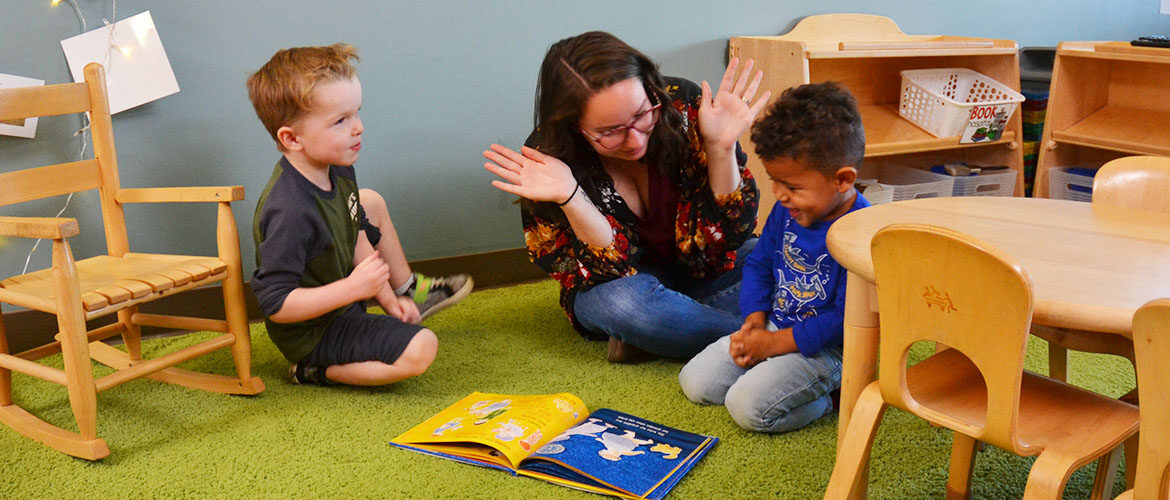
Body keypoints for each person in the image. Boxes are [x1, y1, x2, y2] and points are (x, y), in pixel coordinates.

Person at [483, 31, 769, 362]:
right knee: (623, 307)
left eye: (641, 115)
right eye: (609, 131)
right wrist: (571, 196)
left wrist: (720, 149)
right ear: (574, 126)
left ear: (650, 89)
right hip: (624, 286)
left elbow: (733, 233)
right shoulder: (546, 159)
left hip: (707, 268)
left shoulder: (682, 106)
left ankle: (663, 334)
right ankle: (769, 339)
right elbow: (607, 272)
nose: (634, 141)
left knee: (788, 258)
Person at [246, 43, 472, 386]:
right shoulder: (289, 211)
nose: (358, 127)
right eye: (340, 120)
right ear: (292, 139)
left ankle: (409, 290)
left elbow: (356, 236)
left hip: (344, 301)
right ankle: (312, 370)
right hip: (314, 331)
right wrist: (352, 289)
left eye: (356, 113)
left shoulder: (337, 166)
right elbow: (277, 305)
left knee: (370, 202)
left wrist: (389, 299)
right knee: (422, 347)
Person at [678, 82, 870, 433]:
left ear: (843, 180)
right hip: (776, 323)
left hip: (830, 349)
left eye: (792, 187)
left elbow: (844, 319)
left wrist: (773, 345)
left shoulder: (862, 231)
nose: (779, 195)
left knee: (747, 407)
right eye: (775, 181)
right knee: (696, 382)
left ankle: (831, 398)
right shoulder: (790, 210)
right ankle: (775, 369)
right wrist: (754, 321)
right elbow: (760, 263)